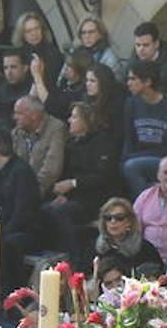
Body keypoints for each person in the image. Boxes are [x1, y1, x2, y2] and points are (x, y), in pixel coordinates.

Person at [45, 102, 117, 269]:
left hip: (96, 199)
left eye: (74, 117)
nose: (70, 120)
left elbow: (104, 176)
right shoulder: (71, 144)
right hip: (74, 198)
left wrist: (73, 184)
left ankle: (75, 262)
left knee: (62, 213)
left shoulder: (102, 141)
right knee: (47, 209)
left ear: (87, 120)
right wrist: (63, 195)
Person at [122, 60, 167, 196]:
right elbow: (129, 139)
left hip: (166, 158)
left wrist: (137, 157)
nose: (128, 83)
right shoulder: (131, 104)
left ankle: (147, 206)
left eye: (133, 79)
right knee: (125, 166)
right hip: (139, 156)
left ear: (147, 81)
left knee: (131, 166)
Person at [0, 127, 41, 254]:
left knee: (2, 244)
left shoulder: (22, 172)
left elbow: (23, 213)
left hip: (25, 231)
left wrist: (1, 232)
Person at [92, 197, 163, 278]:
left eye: (119, 218)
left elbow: (157, 278)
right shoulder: (94, 249)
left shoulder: (145, 249)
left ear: (129, 222)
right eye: (108, 218)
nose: (113, 221)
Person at [10, 95, 66, 198]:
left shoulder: (56, 128)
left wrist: (31, 191)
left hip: (46, 191)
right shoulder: (17, 132)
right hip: (21, 190)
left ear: (34, 115)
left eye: (19, 113)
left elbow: (52, 170)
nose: (15, 117)